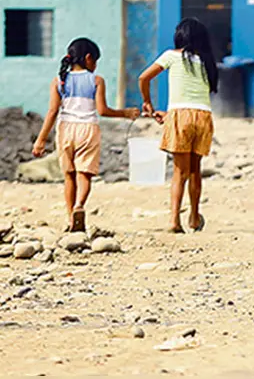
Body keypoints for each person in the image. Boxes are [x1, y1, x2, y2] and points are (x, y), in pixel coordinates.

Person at [32, 38, 140, 232]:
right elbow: (102, 110)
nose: (95, 65)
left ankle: (69, 218)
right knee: (85, 175)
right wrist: (125, 113)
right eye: (95, 61)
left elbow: (52, 112)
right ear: (88, 58)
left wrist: (40, 140)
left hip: (65, 129)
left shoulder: (58, 81)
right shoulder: (96, 80)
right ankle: (79, 205)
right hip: (88, 129)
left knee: (69, 176)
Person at [139, 18, 218, 234]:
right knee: (195, 171)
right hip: (202, 117)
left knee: (179, 172)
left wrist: (148, 102)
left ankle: (174, 220)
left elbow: (143, 78)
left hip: (180, 116)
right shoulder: (206, 61)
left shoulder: (170, 56)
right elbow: (195, 98)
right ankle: (194, 216)